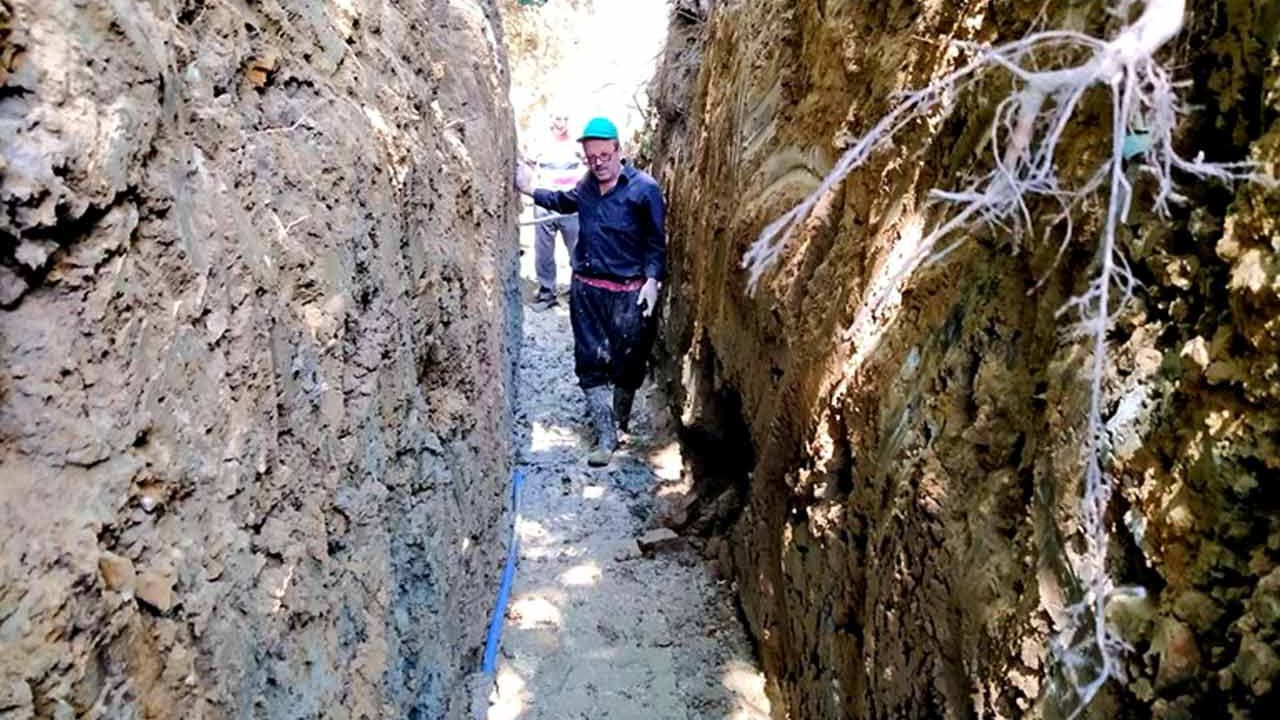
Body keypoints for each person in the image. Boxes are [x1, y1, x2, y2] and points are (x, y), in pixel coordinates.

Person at [515, 116, 666, 467]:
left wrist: (652, 281)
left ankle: (620, 420)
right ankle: (605, 436)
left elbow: (656, 243)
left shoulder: (645, 189)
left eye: (604, 156)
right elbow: (563, 200)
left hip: (629, 294)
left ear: (618, 150)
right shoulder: (586, 185)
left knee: (629, 361)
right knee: (590, 361)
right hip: (587, 290)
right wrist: (529, 189)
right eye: (591, 158)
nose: (598, 164)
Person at [529, 113, 582, 309]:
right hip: (545, 205)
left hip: (571, 205)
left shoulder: (577, 144)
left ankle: (578, 292)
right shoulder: (540, 143)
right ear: (551, 120)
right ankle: (546, 294)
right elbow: (529, 166)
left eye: (566, 119)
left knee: (577, 250)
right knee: (543, 251)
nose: (562, 123)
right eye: (558, 119)